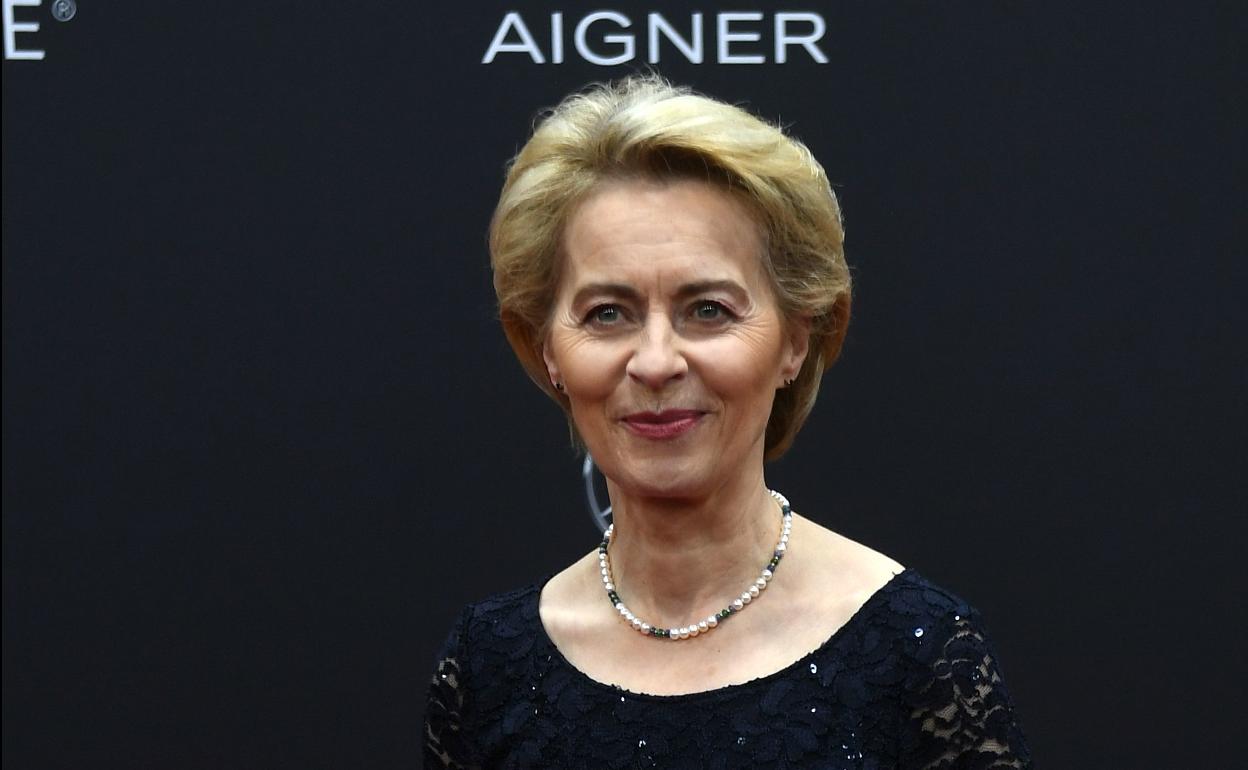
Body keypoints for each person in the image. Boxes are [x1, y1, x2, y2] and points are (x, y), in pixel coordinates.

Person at [424, 76, 1032, 769]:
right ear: (546, 349)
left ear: (797, 338)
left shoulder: (918, 655)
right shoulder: (488, 668)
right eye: (607, 313)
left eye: (708, 310)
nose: (656, 362)